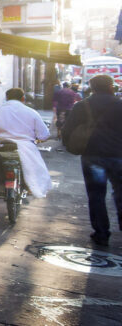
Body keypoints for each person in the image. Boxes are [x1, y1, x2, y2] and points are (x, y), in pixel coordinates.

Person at [61, 75, 122, 247]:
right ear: (111, 87)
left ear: (91, 88)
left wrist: (71, 145)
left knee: (96, 195)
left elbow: (68, 129)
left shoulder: (82, 105)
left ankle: (101, 233)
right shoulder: (120, 104)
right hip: (119, 155)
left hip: (93, 155)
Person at [0, 88, 52, 198]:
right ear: (23, 98)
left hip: (4, 146)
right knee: (34, 168)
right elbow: (44, 135)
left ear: (6, 98)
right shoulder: (31, 112)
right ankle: (28, 187)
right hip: (26, 148)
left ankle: (2, 185)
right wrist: (38, 139)